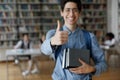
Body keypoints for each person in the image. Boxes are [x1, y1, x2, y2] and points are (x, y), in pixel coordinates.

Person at [41, 0, 107, 80]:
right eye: (67, 10)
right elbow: (44, 50)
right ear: (61, 12)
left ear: (79, 13)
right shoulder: (53, 34)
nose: (71, 14)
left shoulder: (89, 37)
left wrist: (92, 69)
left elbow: (103, 64)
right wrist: (53, 41)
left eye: (75, 10)